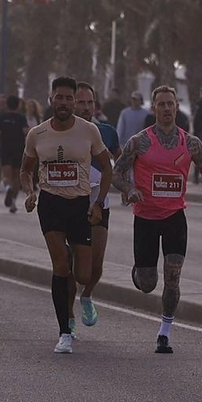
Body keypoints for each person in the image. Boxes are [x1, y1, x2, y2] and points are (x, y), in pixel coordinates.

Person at [111, 84, 202, 353]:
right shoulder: (139, 142)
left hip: (174, 217)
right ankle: (139, 271)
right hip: (146, 217)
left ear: (176, 106)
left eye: (171, 103)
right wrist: (130, 189)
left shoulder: (191, 142)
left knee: (173, 276)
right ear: (154, 108)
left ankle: (165, 332)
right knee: (149, 284)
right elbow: (116, 174)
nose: (167, 108)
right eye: (161, 104)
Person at [21, 77, 114, 355]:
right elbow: (26, 169)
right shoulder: (36, 134)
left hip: (80, 205)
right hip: (50, 204)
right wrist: (30, 192)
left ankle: (72, 260)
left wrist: (98, 203)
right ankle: (64, 332)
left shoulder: (89, 131)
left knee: (83, 274)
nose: (63, 103)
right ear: (51, 99)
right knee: (60, 267)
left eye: (68, 98)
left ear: (74, 101)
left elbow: (106, 168)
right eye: (58, 97)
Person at [73, 82, 119, 327]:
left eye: (90, 102)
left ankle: (87, 295)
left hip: (99, 201)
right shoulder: (61, 132)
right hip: (69, 202)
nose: (86, 107)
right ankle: (67, 318)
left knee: (96, 265)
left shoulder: (107, 132)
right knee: (70, 264)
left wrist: (129, 187)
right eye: (81, 102)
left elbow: (121, 162)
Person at [0, 96, 29, 212]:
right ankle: (13, 201)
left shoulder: (1, 118)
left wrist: (1, 134)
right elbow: (26, 131)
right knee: (17, 176)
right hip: (18, 148)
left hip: (5, 147)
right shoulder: (21, 118)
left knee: (7, 174)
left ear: (7, 105)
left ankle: (8, 187)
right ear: (18, 105)